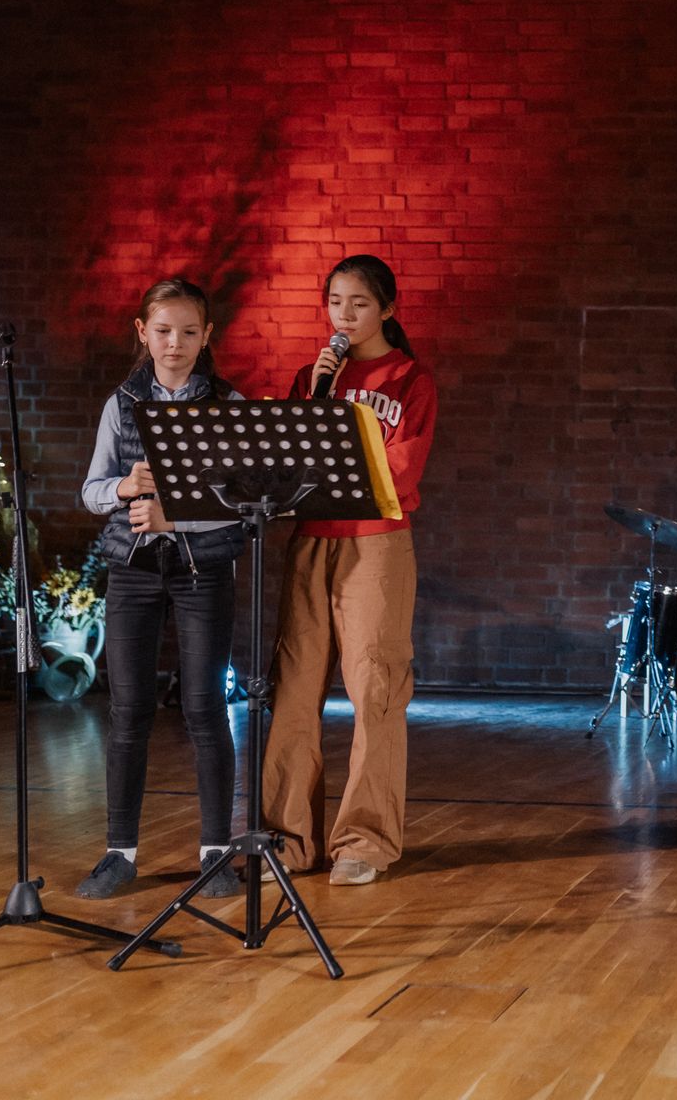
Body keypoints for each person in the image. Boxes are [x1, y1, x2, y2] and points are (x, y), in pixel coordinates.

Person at [261, 254, 437, 886]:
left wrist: (333, 461)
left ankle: (365, 841)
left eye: (359, 303)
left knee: (375, 689)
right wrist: (317, 398)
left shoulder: (409, 379)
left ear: (387, 308)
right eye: (335, 302)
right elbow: (287, 461)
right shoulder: (313, 377)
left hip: (377, 544)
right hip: (312, 539)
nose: (344, 315)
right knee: (293, 689)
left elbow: (401, 469)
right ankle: (288, 840)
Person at [75, 279, 246, 899]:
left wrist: (177, 517)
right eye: (164, 330)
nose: (176, 343)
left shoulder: (228, 403)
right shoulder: (120, 403)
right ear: (142, 333)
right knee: (128, 711)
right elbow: (91, 491)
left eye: (189, 332)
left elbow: (243, 505)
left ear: (207, 336)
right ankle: (119, 854)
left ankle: (215, 853)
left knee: (204, 708)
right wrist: (125, 487)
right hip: (134, 573)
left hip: (204, 573)